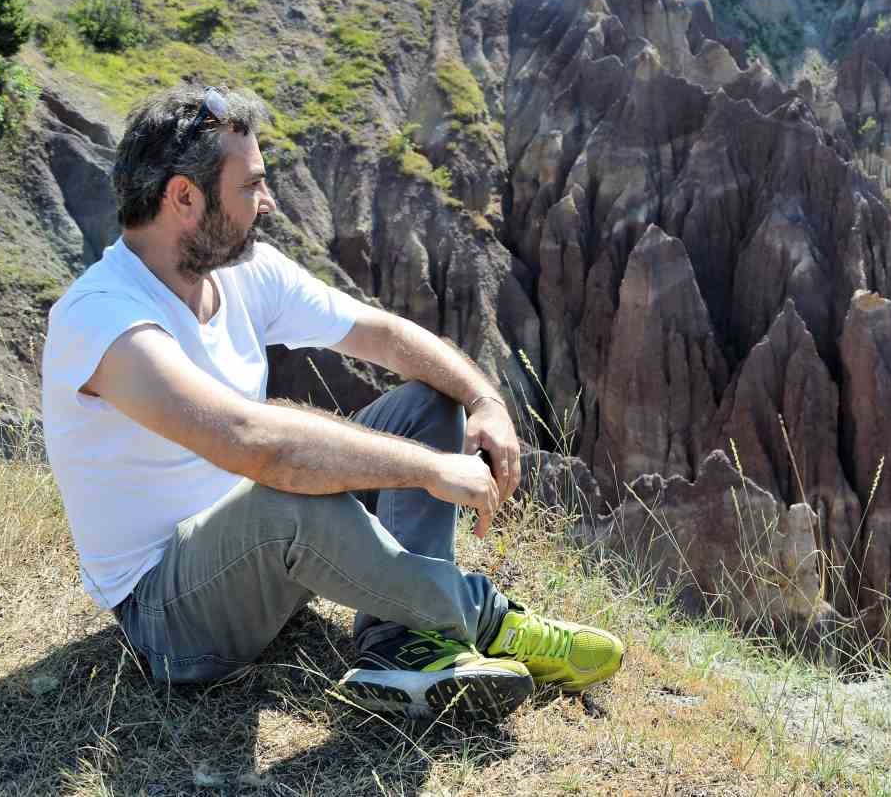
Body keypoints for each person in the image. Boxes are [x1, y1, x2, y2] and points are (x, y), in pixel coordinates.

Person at [40, 85, 622, 722]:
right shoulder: (102, 319)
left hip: (254, 554)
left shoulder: (240, 273)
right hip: (169, 615)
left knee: (430, 405)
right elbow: (253, 443)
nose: (268, 204)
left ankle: (401, 641)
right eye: (251, 186)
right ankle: (483, 618)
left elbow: (383, 334)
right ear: (185, 196)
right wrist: (427, 469)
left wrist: (482, 397)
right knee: (285, 494)